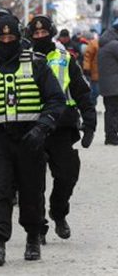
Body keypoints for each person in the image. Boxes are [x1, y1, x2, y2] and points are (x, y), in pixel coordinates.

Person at [0, 14, 66, 266]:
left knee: (32, 192)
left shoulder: (38, 64)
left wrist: (42, 128)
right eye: (3, 37)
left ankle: (32, 238)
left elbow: (56, 100)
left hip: (30, 139)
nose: (7, 40)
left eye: (12, 37)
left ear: (19, 37)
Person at [26, 16, 96, 243]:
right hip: (32, 126)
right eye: (35, 34)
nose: (40, 37)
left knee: (67, 175)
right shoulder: (22, 60)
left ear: (52, 33)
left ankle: (58, 212)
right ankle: (39, 227)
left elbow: (81, 93)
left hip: (62, 128)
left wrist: (90, 123)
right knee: (33, 182)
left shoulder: (66, 59)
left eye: (43, 33)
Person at [98, 18, 118, 146]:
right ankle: (112, 137)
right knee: (114, 111)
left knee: (110, 111)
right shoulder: (114, 45)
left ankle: (110, 136)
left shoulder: (105, 43)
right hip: (114, 85)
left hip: (108, 85)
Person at [83, 34, 100, 106]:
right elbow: (87, 56)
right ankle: (91, 105)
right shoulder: (94, 44)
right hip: (95, 72)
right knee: (95, 92)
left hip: (104, 72)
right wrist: (87, 68)